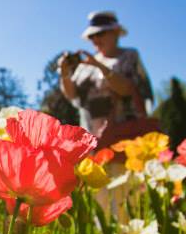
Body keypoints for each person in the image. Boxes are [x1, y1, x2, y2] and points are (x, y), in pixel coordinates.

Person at [58, 11, 154, 140]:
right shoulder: (85, 65)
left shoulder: (129, 55)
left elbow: (127, 89)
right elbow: (72, 95)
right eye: (92, 36)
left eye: (100, 34)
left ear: (115, 32)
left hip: (125, 131)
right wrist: (65, 74)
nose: (95, 40)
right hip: (92, 132)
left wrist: (99, 65)